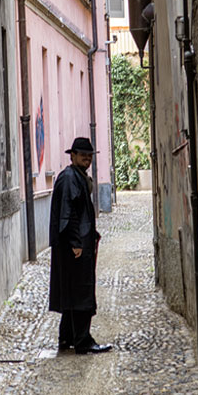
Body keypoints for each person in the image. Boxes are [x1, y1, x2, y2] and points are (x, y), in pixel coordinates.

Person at [49, 137, 112, 354]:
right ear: (72, 155)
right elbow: (69, 214)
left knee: (71, 292)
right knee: (81, 292)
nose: (87, 159)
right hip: (74, 248)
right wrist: (76, 243)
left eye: (89, 156)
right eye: (82, 155)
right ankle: (83, 341)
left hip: (76, 244)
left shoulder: (76, 176)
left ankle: (66, 338)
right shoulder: (70, 179)